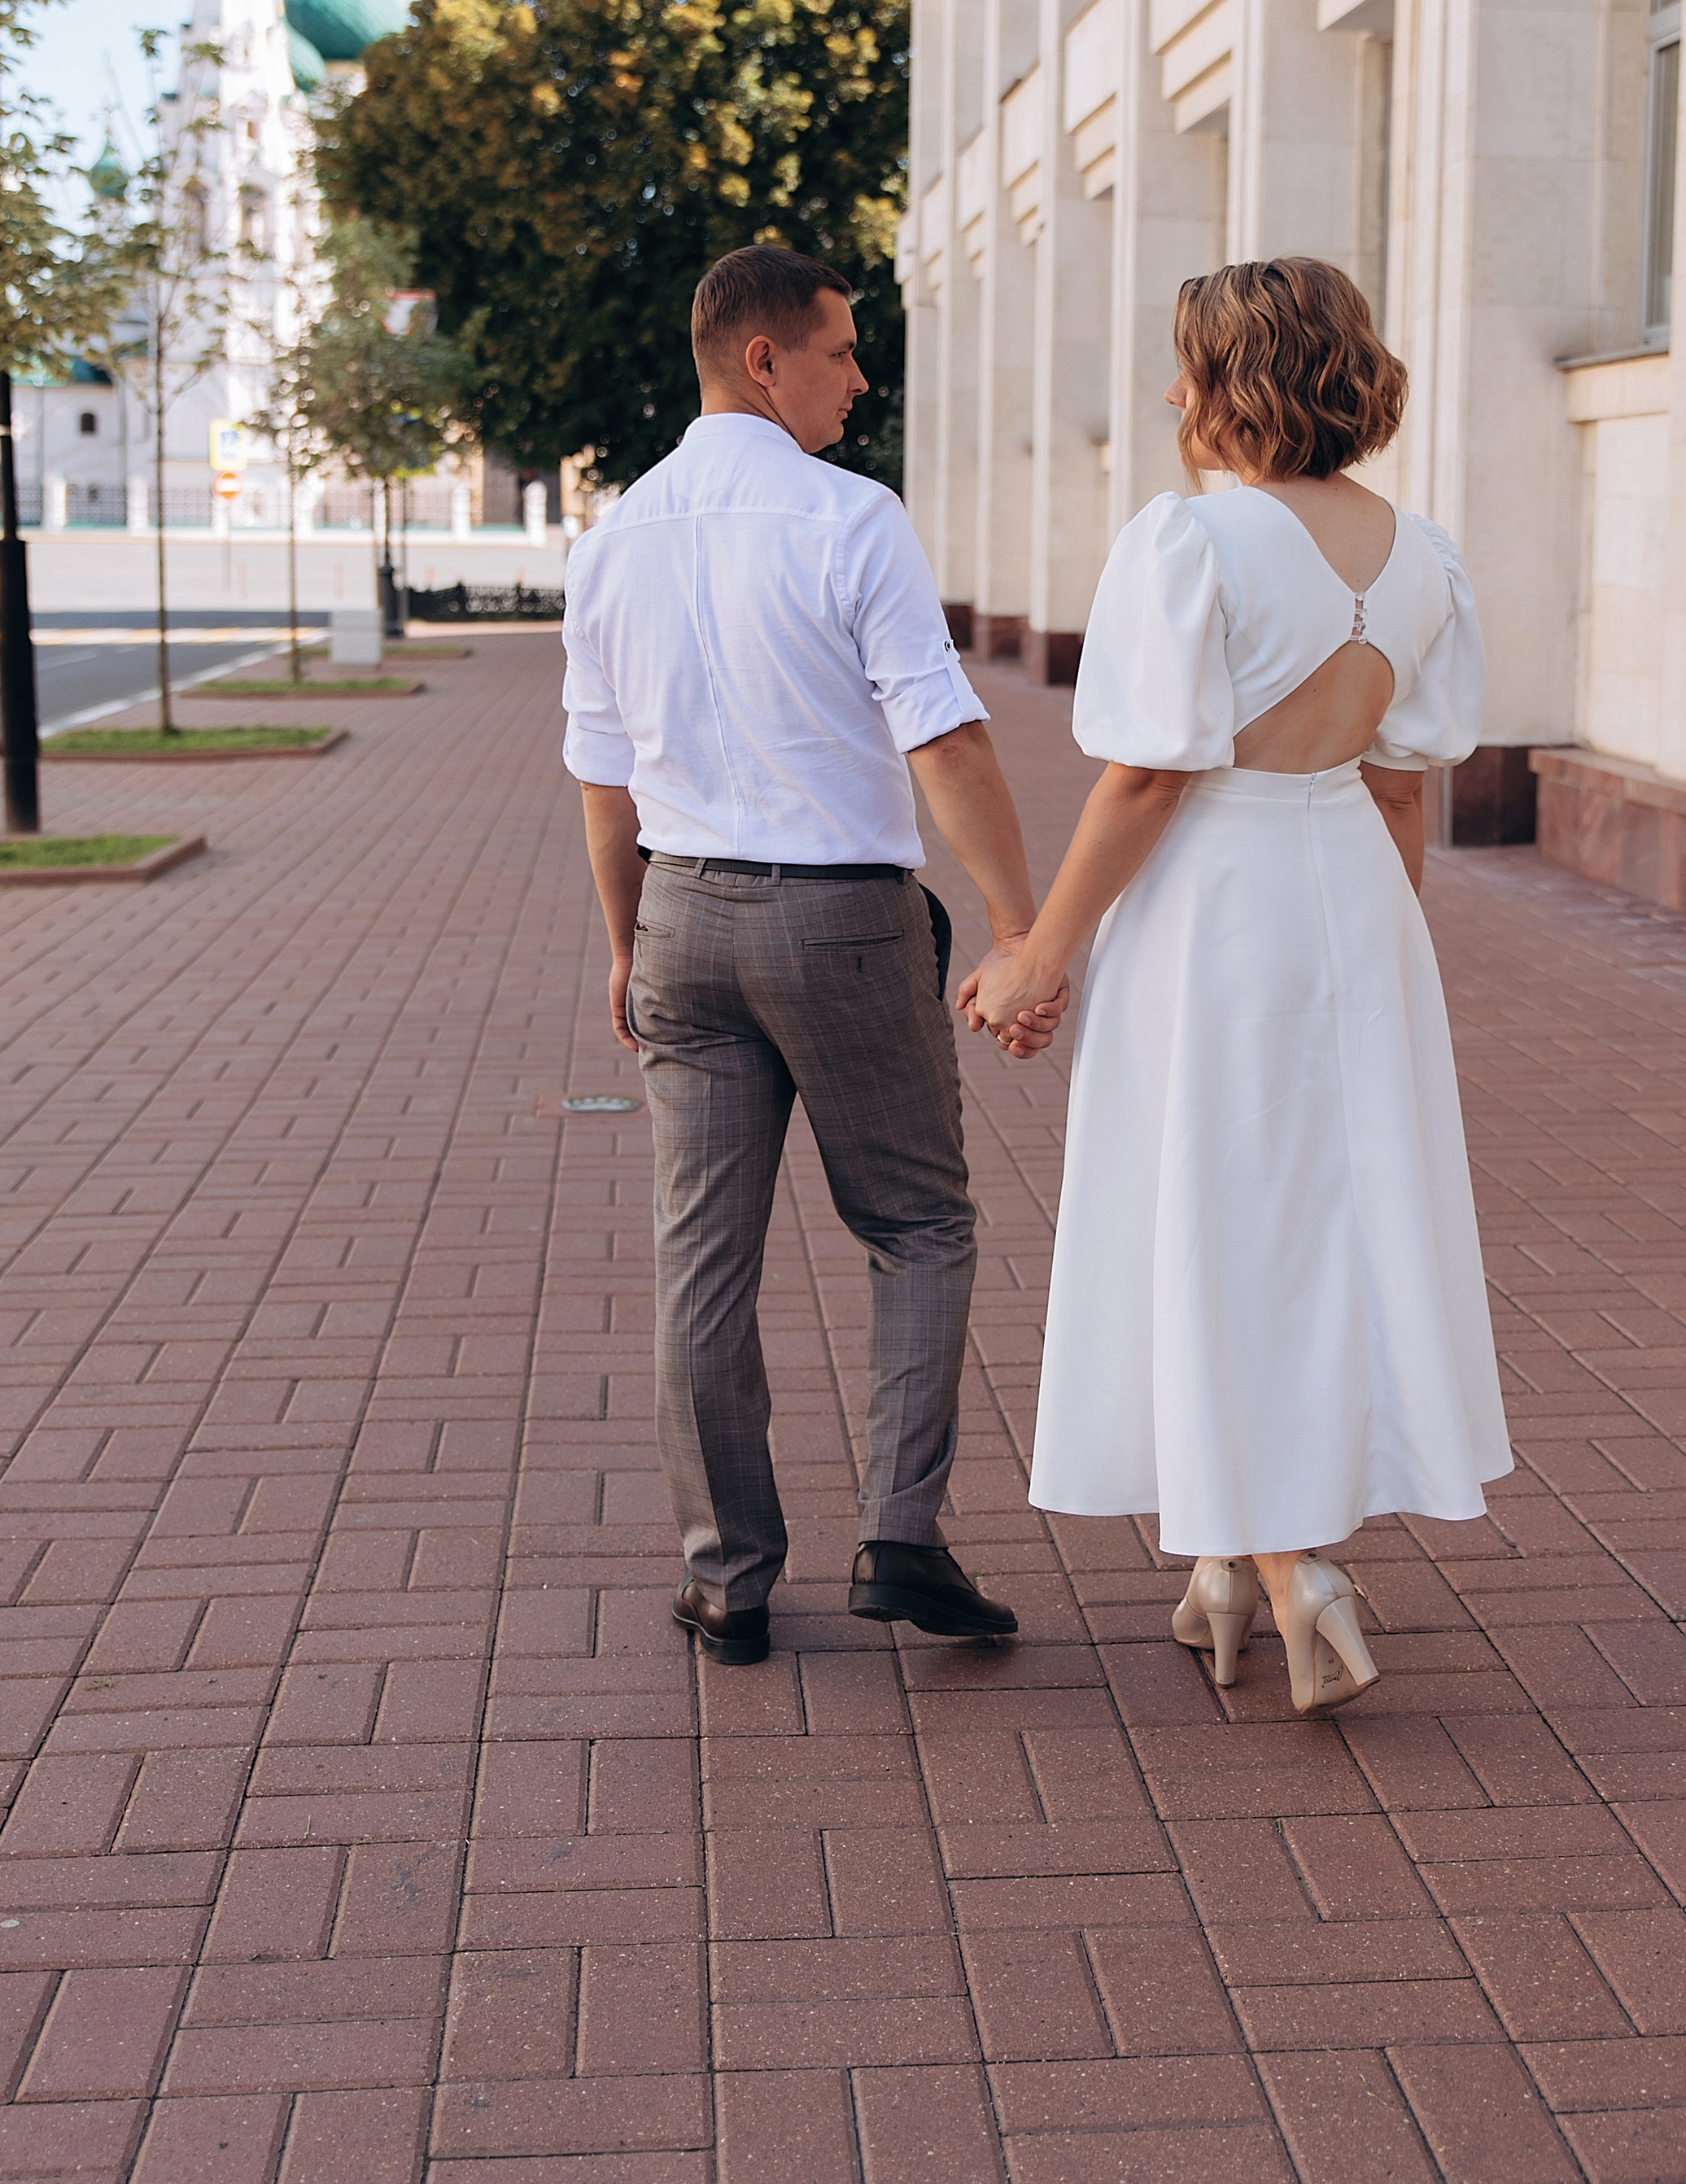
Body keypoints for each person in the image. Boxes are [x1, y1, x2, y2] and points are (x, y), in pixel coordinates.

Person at [967, 257, 1512, 1714]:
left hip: (1215, 910)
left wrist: (1040, 953)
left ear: (1236, 382)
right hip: (1354, 897)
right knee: (1319, 1224)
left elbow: (1148, 775)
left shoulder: (1193, 545)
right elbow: (1403, 789)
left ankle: (1284, 1566)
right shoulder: (1421, 554)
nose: (1169, 395)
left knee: (1209, 1215)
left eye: (1185, 367)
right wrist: (1390, 952)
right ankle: (1223, 1563)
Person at [565, 245, 1062, 1666]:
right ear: (765, 360)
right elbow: (943, 733)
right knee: (917, 1223)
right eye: (842, 351)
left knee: (698, 1260)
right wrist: (1020, 924)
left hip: (681, 920)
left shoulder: (611, 543)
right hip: (838, 920)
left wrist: (624, 946)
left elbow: (606, 786)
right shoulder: (850, 520)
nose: (861, 375)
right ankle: (901, 1536)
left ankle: (727, 1580)